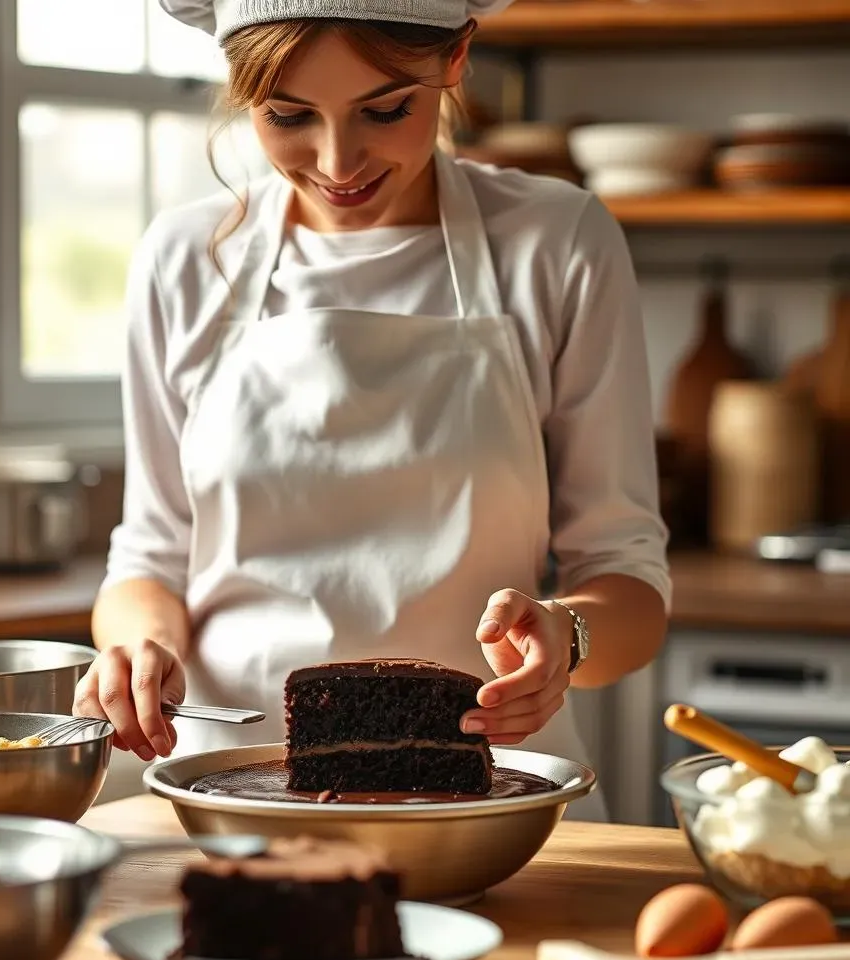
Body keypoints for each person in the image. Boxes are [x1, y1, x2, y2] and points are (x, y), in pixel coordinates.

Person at [73, 0, 671, 821]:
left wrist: (565, 639)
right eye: (287, 115)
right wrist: (139, 650)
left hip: (490, 798)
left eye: (386, 109)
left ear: (457, 60)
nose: (336, 160)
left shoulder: (556, 242)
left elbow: (627, 578)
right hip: (229, 784)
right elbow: (150, 554)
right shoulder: (184, 257)